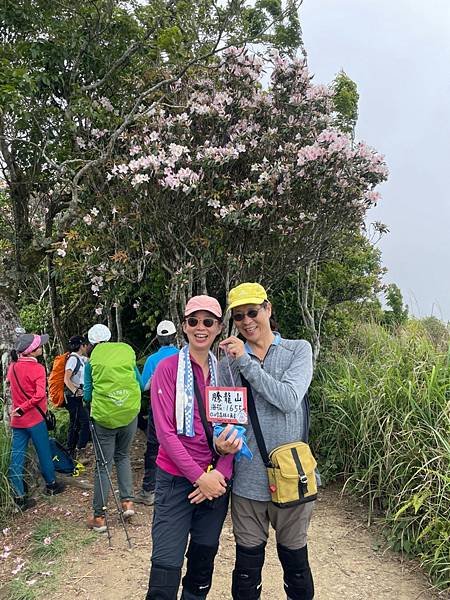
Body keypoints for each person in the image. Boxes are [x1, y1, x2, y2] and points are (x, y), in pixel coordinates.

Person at [216, 282, 315, 600]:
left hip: (292, 478)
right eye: (239, 315)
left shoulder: (298, 350)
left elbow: (287, 399)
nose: (247, 321)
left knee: (296, 564)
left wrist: (246, 361)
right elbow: (222, 419)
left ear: (268, 309)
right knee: (246, 569)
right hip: (247, 482)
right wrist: (221, 443)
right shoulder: (225, 364)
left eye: (253, 312)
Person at [146, 295, 234, 600]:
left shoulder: (226, 372)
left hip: (215, 484)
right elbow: (166, 433)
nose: (200, 328)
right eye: (193, 321)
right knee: (165, 571)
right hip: (175, 481)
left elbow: (235, 430)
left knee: (200, 568)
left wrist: (219, 475)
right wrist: (200, 478)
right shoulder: (168, 369)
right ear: (184, 327)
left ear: (219, 327)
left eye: (208, 322)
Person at [83, 324, 142, 532]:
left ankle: (99, 517)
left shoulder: (91, 363)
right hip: (129, 414)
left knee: (103, 464)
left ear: (91, 343)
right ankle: (128, 503)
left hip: (105, 419)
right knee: (123, 456)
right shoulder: (125, 353)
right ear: (109, 338)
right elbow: (140, 382)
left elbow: (88, 394)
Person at [7, 333, 65, 509]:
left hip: (17, 421)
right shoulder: (38, 368)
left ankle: (19, 497)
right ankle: (51, 484)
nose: (41, 348)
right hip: (34, 419)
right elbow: (39, 394)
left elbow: (11, 388)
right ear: (32, 351)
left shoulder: (13, 367)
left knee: (16, 457)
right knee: (44, 452)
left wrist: (17, 409)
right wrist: (24, 407)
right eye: (39, 346)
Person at [135, 320, 179, 506]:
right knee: (181, 445)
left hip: (158, 409)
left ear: (158, 339)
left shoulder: (153, 360)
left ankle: (149, 489)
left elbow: (144, 386)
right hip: (180, 409)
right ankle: (179, 488)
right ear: (176, 336)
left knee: (153, 448)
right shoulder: (183, 355)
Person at [63, 335, 90, 462]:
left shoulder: (80, 358)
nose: (86, 347)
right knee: (85, 423)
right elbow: (66, 379)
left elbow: (89, 361)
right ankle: (80, 450)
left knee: (75, 424)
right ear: (81, 345)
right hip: (72, 397)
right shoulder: (73, 359)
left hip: (76, 397)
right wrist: (76, 390)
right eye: (85, 345)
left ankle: (70, 451)